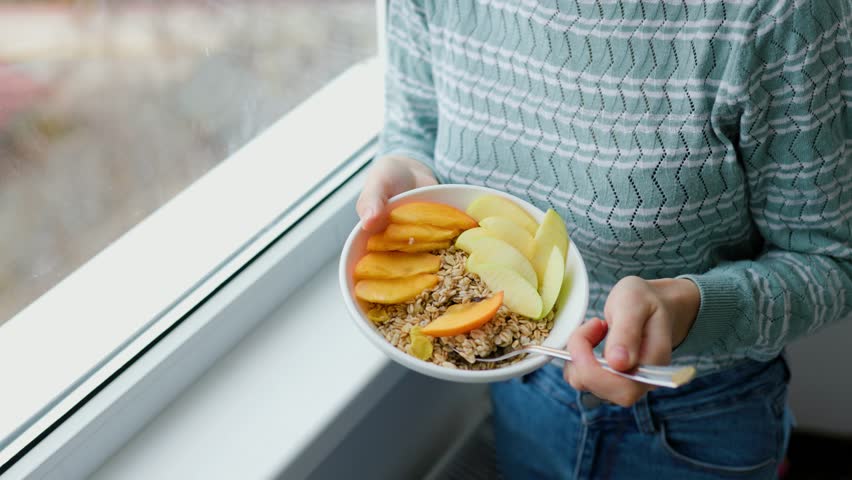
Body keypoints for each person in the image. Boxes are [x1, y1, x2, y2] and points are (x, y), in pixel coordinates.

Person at [357, 1, 852, 478]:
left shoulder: (780, 12)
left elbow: (830, 259)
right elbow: (414, 126)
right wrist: (406, 175)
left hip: (692, 421)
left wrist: (688, 309)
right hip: (518, 379)